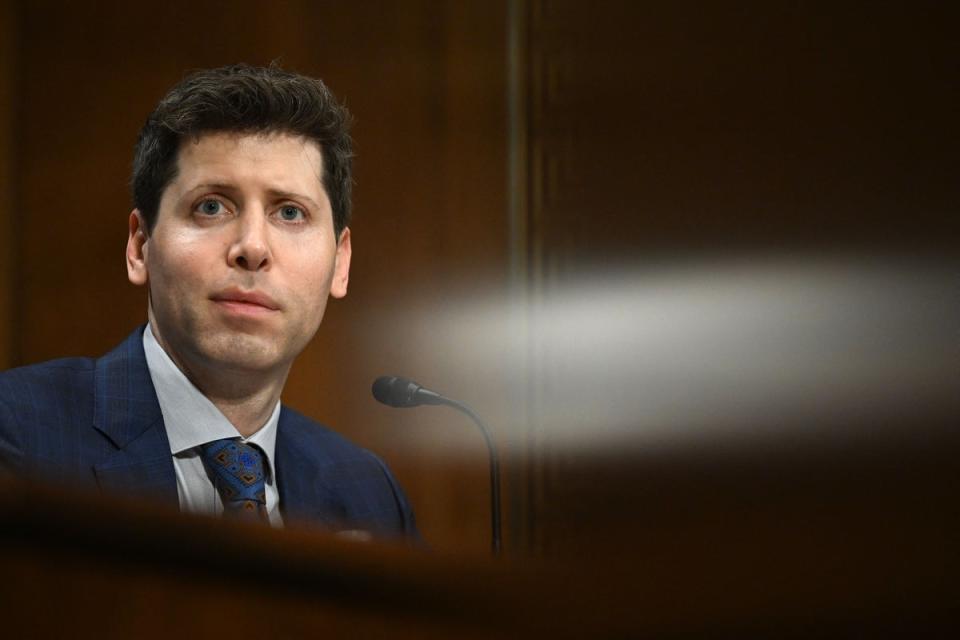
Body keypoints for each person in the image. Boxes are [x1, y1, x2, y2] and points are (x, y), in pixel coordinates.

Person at [0, 64, 417, 540]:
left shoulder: (370, 496)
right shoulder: (16, 436)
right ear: (140, 247)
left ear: (339, 264)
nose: (253, 248)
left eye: (290, 212)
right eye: (212, 206)